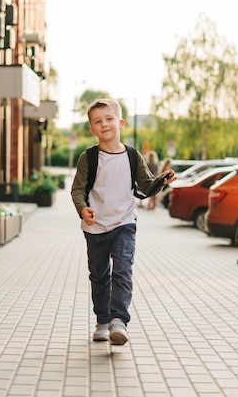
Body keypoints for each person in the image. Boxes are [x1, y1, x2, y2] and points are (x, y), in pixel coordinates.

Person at [70, 98, 177, 345]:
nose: (104, 124)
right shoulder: (89, 157)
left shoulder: (132, 156)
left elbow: (146, 186)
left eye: (109, 119)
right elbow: (77, 189)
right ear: (91, 128)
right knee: (99, 276)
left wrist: (162, 179)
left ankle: (118, 321)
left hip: (124, 224)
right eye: (98, 121)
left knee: (122, 270)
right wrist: (83, 209)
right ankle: (102, 321)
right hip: (95, 227)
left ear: (120, 123)